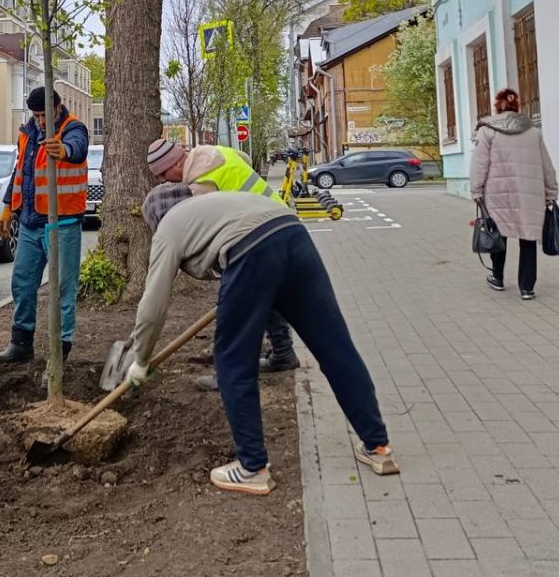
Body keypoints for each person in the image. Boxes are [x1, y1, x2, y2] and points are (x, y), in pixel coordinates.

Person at [128, 184, 397, 496]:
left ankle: (252, 467)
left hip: (251, 251)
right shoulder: (216, 204)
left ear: (156, 218)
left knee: (232, 361)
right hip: (293, 235)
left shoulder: (168, 226)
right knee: (336, 348)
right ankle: (378, 447)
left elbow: (154, 304)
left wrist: (140, 359)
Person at [147, 139, 300, 389]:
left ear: (175, 163)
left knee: (232, 307)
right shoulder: (216, 152)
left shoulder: (201, 187)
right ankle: (283, 353)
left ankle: (227, 375)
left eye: (163, 174)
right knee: (268, 295)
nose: (163, 181)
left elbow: (210, 231)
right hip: (281, 222)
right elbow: (246, 161)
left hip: (259, 236)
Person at [0, 87, 90, 365]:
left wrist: (65, 150)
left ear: (57, 107)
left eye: (45, 115)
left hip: (63, 223)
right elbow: (21, 170)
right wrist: (9, 206)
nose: (41, 121)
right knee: (22, 283)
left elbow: (78, 148)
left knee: (62, 289)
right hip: (30, 222)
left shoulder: (74, 129)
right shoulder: (28, 133)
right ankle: (21, 343)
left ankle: (60, 350)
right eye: (36, 115)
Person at [470, 88, 559, 300]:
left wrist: (476, 189)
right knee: (528, 238)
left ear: (497, 106)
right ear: (517, 107)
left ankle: (498, 278)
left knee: (497, 233)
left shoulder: (487, 131)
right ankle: (527, 287)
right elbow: (546, 165)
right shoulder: (533, 131)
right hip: (529, 194)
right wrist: (551, 192)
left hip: (498, 193)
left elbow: (479, 164)